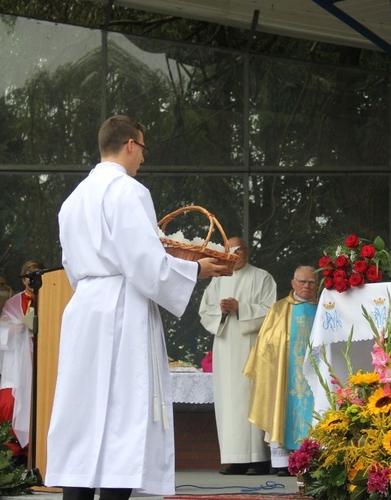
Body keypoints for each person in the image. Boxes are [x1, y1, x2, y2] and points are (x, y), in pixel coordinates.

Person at [45, 115, 231, 500]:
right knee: (123, 416)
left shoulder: (73, 199)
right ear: (130, 144)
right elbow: (145, 264)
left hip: (84, 309)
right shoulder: (128, 191)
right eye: (143, 149)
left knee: (82, 415)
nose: (143, 159)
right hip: (121, 308)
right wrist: (195, 269)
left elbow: (71, 266)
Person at [198, 237, 277, 475]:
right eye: (229, 250)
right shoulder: (218, 279)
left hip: (252, 346)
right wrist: (221, 311)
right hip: (225, 345)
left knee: (251, 395)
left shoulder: (262, 277)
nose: (234, 253)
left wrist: (241, 309)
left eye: (238, 249)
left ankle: (258, 460)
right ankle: (234, 459)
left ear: (247, 251)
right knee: (229, 400)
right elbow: (205, 311)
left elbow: (271, 311)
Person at [243, 265, 318, 476]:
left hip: (315, 372)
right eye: (302, 282)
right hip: (285, 373)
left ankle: (313, 460)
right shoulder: (279, 309)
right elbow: (265, 342)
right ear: (293, 283)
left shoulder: (325, 307)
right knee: (282, 408)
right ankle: (283, 463)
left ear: (317, 285)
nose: (306, 286)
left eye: (311, 282)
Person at [0, 259, 44, 466]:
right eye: (29, 277)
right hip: (17, 364)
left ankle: (35, 451)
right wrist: (13, 331)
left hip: (41, 362)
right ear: (23, 279)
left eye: (37, 276)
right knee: (9, 404)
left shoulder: (50, 299)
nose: (32, 281)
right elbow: (0, 333)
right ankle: (12, 453)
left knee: (39, 405)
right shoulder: (13, 303)